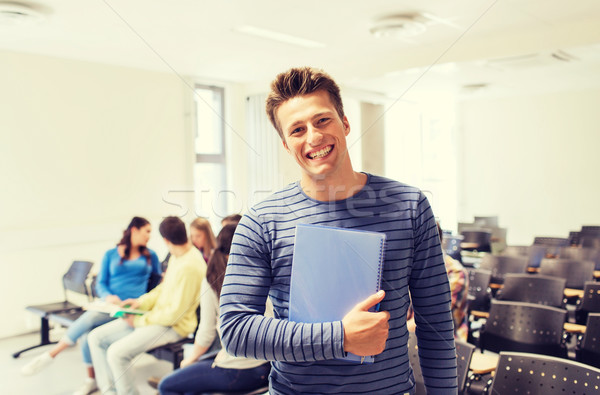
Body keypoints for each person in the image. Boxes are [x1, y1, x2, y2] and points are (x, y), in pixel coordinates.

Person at [219, 67, 457, 394]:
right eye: (297, 129)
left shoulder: (409, 206)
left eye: (322, 120)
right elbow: (236, 331)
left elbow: (437, 326)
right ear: (286, 145)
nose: (313, 137)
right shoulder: (262, 221)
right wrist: (340, 337)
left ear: (345, 123)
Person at [21, 217, 161, 395]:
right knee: (87, 333)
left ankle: (52, 354)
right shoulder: (111, 254)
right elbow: (100, 283)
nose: (150, 235)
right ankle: (92, 381)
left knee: (91, 319)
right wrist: (108, 296)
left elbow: (157, 283)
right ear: (134, 230)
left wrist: (144, 301)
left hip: (132, 307)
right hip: (110, 304)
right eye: (147, 231)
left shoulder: (151, 256)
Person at [88, 216, 205, 395]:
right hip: (155, 317)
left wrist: (139, 321)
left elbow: (175, 315)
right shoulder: (177, 256)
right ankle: (110, 391)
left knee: (116, 353)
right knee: (95, 338)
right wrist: (140, 302)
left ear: (166, 240)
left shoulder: (191, 265)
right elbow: (163, 289)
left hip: (173, 326)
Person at [158, 223, 271, 395]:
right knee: (193, 384)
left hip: (240, 371)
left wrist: (188, 361)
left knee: (166, 385)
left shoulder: (214, 279)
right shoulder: (265, 271)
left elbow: (206, 334)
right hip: (268, 368)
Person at [407, 223, 470, 341]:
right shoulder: (411, 267)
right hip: (410, 339)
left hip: (444, 343)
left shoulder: (455, 273)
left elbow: (428, 318)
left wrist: (392, 337)